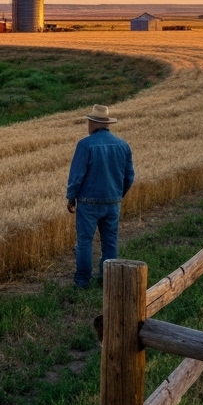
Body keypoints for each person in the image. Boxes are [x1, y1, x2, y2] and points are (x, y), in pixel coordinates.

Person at [67, 105, 135, 288]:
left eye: (89, 122)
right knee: (110, 241)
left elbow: (77, 176)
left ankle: (82, 282)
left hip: (88, 203)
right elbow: (129, 176)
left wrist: (71, 197)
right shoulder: (123, 145)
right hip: (113, 202)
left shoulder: (85, 145)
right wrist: (118, 194)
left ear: (93, 123)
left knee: (84, 242)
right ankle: (109, 279)